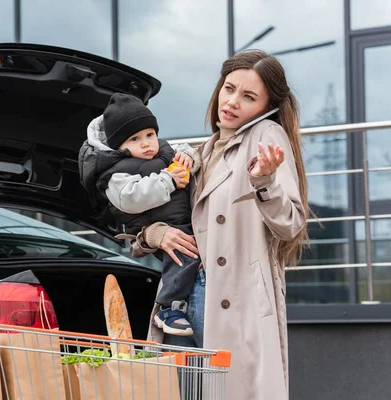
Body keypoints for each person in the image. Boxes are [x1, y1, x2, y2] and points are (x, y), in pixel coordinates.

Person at [130, 50, 310, 400]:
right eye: (229, 88)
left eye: (248, 96)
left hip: (233, 298)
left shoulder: (266, 135)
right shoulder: (203, 150)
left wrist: (265, 182)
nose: (231, 102)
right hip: (187, 297)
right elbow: (171, 217)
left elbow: (291, 224)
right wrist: (155, 234)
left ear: (267, 106)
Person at [78, 93, 202, 336]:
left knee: (187, 257)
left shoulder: (164, 151)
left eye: (150, 135)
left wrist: (188, 157)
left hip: (181, 220)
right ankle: (168, 308)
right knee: (182, 258)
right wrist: (167, 180)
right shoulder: (116, 174)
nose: (146, 143)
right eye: (135, 139)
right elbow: (130, 198)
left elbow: (190, 153)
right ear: (119, 147)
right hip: (157, 226)